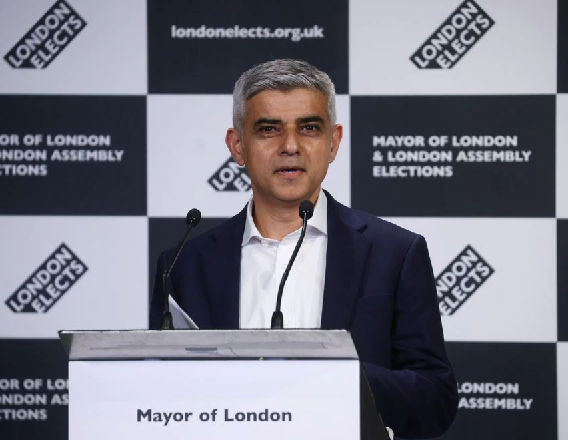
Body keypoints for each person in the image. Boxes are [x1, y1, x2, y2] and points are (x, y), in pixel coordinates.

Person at [150, 59, 458, 439]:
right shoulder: (183, 265)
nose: (291, 146)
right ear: (237, 146)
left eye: (309, 128)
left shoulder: (395, 253)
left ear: (333, 143)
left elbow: (435, 399)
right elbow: (159, 393)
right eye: (268, 130)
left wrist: (335, 372)